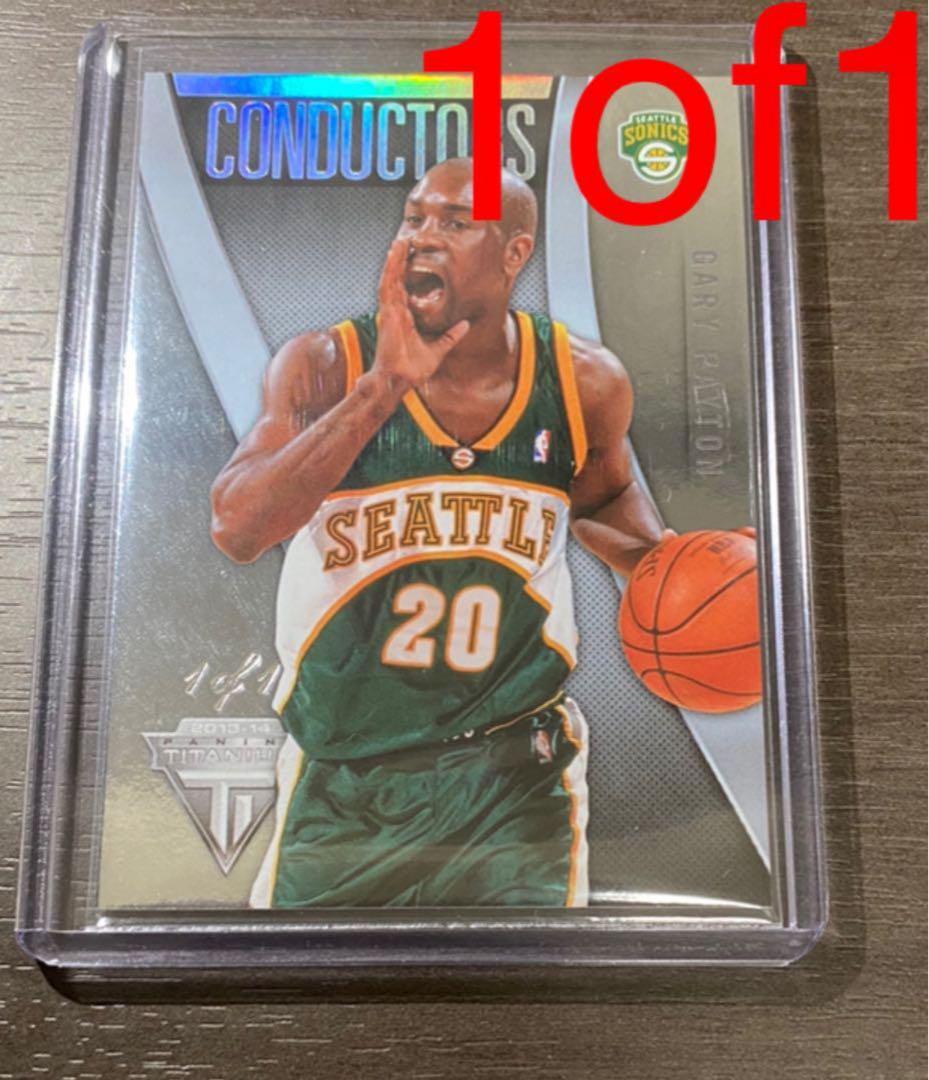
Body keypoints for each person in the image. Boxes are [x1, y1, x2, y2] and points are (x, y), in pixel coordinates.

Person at [210, 157, 665, 908]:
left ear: (515, 253)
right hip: (348, 774)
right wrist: (383, 387)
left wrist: (679, 570)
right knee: (308, 979)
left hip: (513, 774)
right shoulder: (327, 363)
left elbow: (606, 497)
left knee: (521, 981)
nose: (423, 236)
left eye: (454, 223)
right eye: (414, 217)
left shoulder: (583, 380)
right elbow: (238, 528)